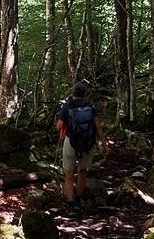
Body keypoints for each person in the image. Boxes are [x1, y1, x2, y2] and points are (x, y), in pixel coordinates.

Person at [56, 81, 106, 212]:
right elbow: (98, 127)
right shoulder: (90, 106)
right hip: (87, 143)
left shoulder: (67, 106)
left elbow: (59, 126)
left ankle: (71, 203)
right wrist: (104, 144)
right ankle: (79, 198)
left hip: (71, 141)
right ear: (84, 94)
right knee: (82, 172)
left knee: (69, 174)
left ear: (73, 93)